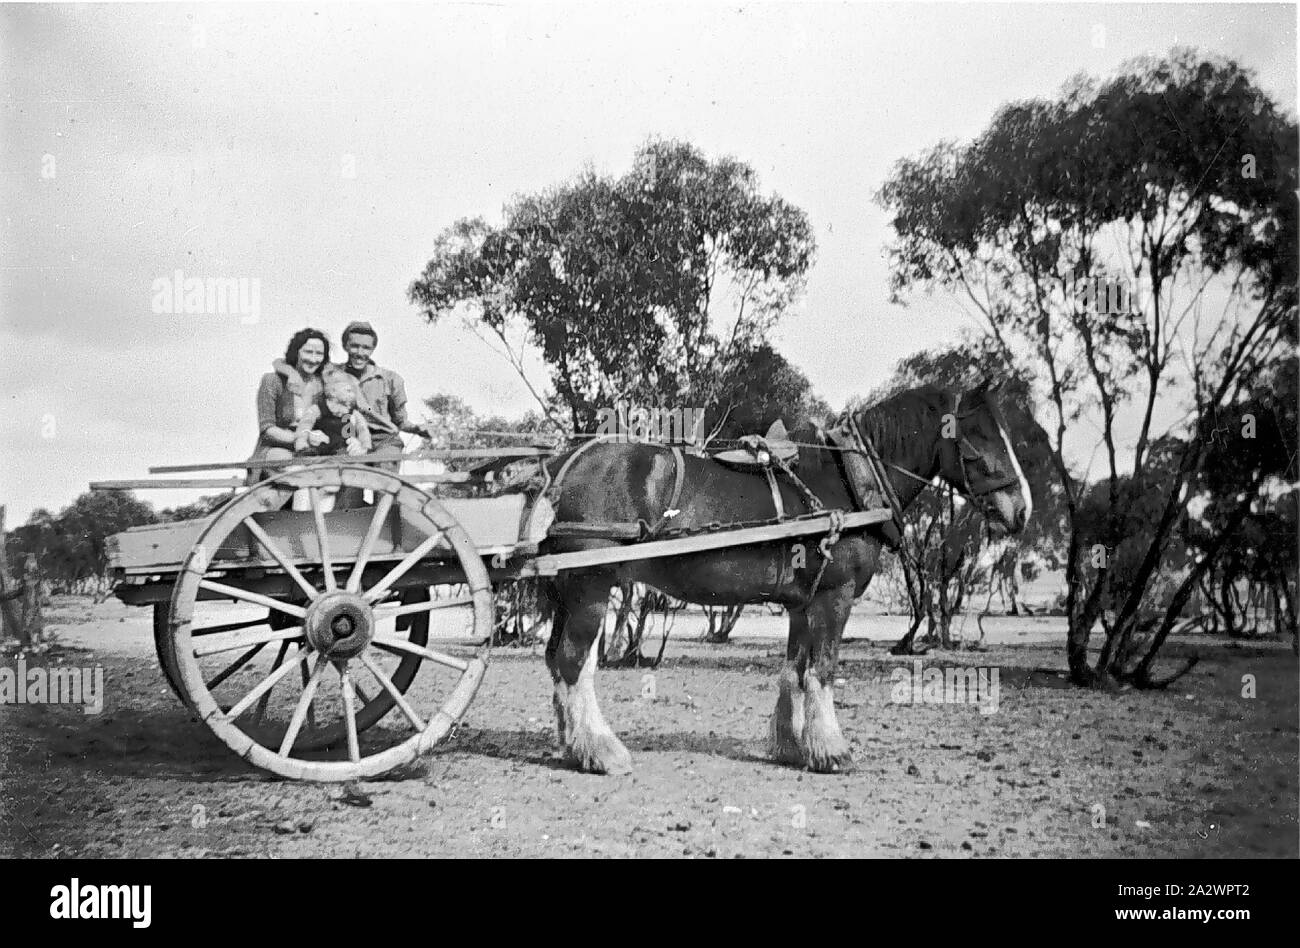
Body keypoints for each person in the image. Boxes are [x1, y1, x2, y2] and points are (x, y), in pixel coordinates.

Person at [337, 321, 430, 468]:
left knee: (386, 479)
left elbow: (400, 421)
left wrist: (418, 429)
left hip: (384, 440)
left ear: (373, 349)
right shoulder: (334, 376)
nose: (360, 353)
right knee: (349, 482)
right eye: (355, 346)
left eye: (366, 348)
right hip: (349, 438)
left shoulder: (391, 379)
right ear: (345, 346)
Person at [293, 377, 372, 457]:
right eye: (348, 391)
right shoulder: (318, 408)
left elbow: (363, 429)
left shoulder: (353, 413)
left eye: (353, 392)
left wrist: (365, 446)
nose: (352, 395)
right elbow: (305, 424)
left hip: (344, 450)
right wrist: (301, 441)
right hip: (322, 448)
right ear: (333, 392)